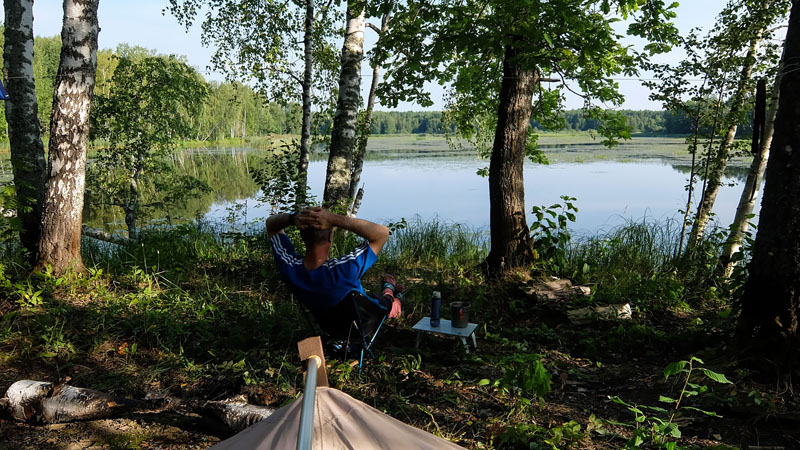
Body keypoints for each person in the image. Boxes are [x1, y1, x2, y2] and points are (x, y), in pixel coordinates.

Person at [266, 206, 404, 339]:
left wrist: (293, 217)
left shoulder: (290, 268)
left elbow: (271, 226)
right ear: (330, 237)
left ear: (302, 235)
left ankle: (389, 291)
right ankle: (392, 296)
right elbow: (382, 233)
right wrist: (333, 219)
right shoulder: (345, 269)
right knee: (385, 302)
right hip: (364, 324)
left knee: (369, 297)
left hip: (329, 328)